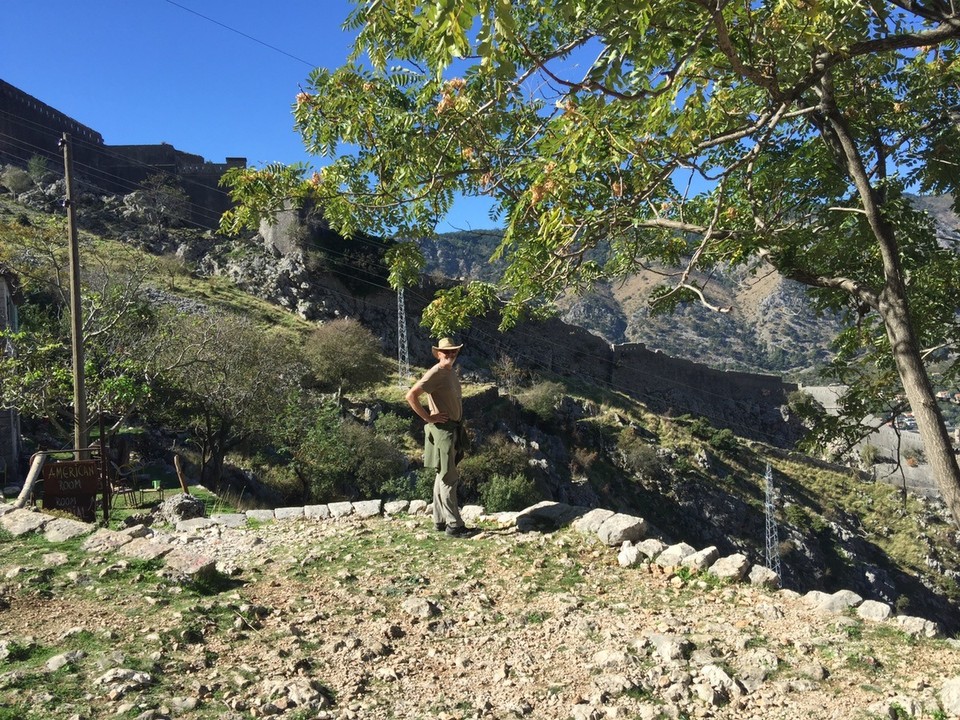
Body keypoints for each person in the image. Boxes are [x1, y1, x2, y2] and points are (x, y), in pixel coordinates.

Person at [406, 337, 470, 537]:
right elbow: (411, 395)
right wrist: (428, 417)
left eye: (453, 352)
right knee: (449, 477)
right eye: (446, 352)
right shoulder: (436, 373)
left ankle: (440, 521)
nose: (450, 355)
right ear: (439, 354)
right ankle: (454, 526)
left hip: (451, 429)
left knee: (441, 474)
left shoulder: (449, 372)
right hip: (443, 431)